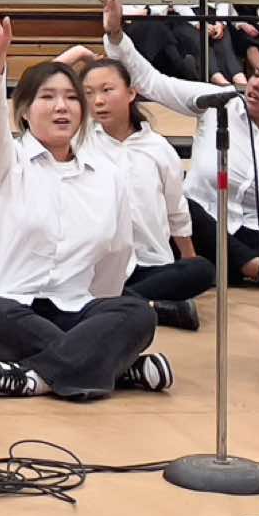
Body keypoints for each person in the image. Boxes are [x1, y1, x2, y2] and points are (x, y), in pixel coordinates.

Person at [0, 2, 168, 401]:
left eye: (71, 98)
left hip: (73, 311)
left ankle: (34, 379)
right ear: (25, 112)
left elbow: (113, 265)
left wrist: (93, 319)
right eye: (48, 97)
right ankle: (109, 366)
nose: (62, 107)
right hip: (2, 312)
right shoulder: (2, 163)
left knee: (137, 314)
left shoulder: (107, 177)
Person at [102, 0, 259, 288]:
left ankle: (243, 265)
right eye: (256, 75)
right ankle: (251, 268)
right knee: (182, 204)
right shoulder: (219, 101)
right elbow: (151, 82)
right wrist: (116, 35)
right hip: (203, 229)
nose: (256, 85)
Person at [79, 59, 213, 329]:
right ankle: (149, 306)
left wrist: (188, 258)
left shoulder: (158, 148)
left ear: (131, 93)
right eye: (89, 93)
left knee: (201, 270)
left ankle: (115, 303)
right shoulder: (79, 145)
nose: (98, 101)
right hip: (98, 265)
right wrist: (76, 54)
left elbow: (177, 210)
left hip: (151, 265)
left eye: (107, 90)